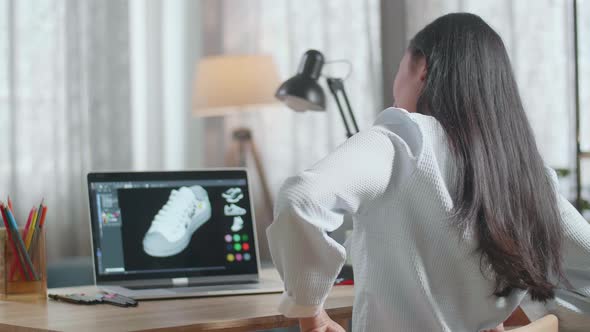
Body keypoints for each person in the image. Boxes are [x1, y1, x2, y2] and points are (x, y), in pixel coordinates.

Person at [266, 13, 590, 332]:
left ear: (422, 68)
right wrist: (515, 314)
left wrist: (310, 312)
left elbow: (301, 199)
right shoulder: (526, 171)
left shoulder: (402, 140)